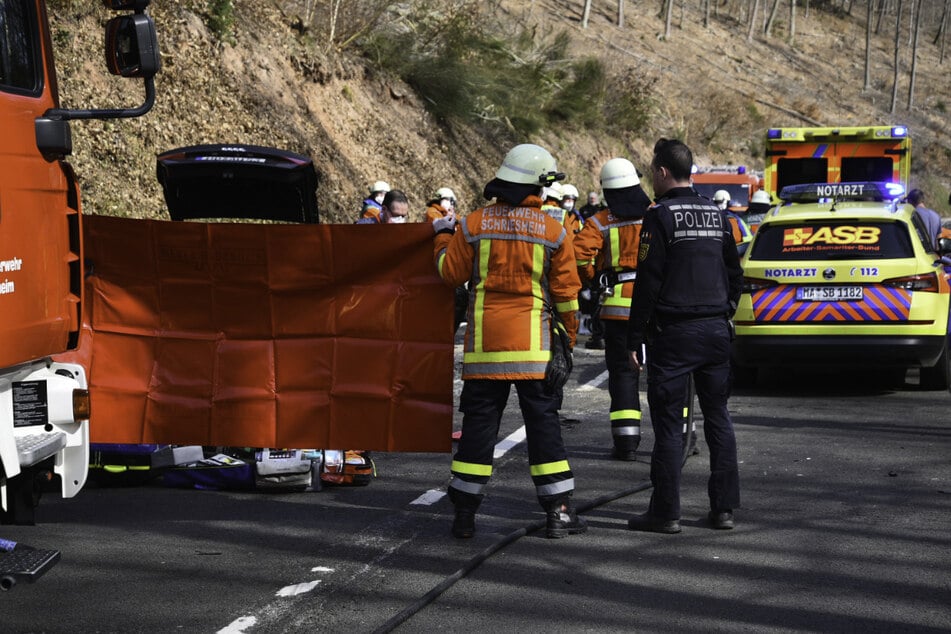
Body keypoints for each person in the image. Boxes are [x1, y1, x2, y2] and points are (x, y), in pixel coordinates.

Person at [432, 143, 586, 540]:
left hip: (485, 350)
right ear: (537, 184)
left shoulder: (473, 224)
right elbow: (567, 294)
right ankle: (558, 512)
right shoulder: (554, 230)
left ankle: (464, 514)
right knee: (543, 428)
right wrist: (567, 342)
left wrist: (440, 239)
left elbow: (449, 274)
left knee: (479, 432)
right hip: (535, 350)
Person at [626, 138, 742, 534]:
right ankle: (724, 510)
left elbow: (648, 281)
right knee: (719, 420)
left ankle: (666, 513)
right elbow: (734, 272)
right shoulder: (715, 213)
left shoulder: (659, 216)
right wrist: (725, 312)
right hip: (715, 331)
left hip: (675, 334)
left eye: (650, 173)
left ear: (661, 172)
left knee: (669, 425)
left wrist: (633, 338)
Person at [573, 157, 652, 461]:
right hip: (657, 307)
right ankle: (682, 435)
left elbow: (579, 257)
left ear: (606, 190)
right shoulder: (656, 214)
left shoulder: (601, 221)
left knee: (622, 374)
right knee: (665, 372)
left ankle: (626, 443)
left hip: (618, 309)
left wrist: (595, 278)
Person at [713, 189, 752, 255]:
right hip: (737, 249)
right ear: (727, 202)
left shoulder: (711, 216)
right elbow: (743, 236)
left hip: (718, 250)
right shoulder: (734, 217)